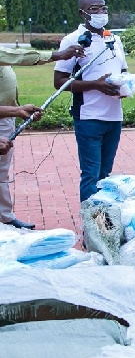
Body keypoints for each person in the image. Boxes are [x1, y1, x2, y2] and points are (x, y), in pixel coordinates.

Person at [54, 0, 128, 202]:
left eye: (103, 8)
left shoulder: (114, 39)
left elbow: (122, 71)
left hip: (114, 117)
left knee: (106, 176)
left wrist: (124, 86)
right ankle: (91, 228)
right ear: (82, 13)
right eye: (94, 9)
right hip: (89, 117)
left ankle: (104, 223)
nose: (101, 13)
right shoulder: (72, 40)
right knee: (91, 176)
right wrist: (96, 85)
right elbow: (59, 82)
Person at [1, 44, 83, 229]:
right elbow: (19, 56)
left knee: (1, 173)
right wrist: (58, 55)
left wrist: (16, 111)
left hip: (5, 118)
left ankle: (5, 218)